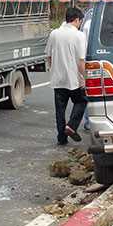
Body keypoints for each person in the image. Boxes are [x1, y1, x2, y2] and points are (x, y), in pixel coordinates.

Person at [46, 7, 87, 145]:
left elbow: (49, 56)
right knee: (81, 101)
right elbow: (81, 61)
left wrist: (53, 70)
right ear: (76, 20)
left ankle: (61, 138)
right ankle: (71, 126)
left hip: (58, 79)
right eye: (80, 21)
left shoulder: (54, 34)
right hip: (74, 80)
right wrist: (86, 78)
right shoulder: (79, 35)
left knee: (60, 110)